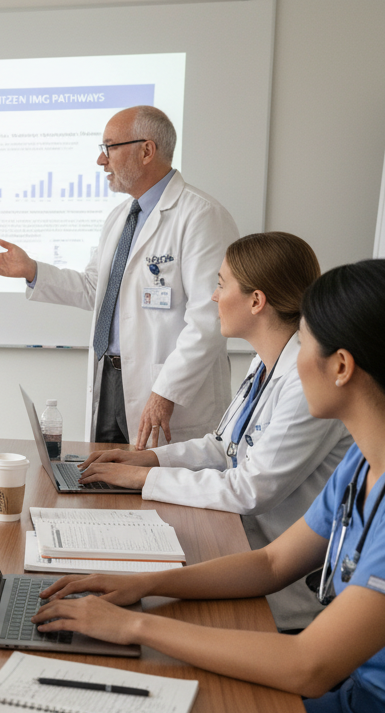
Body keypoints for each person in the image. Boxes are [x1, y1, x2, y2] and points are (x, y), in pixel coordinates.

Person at [31, 260, 385, 713]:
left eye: (303, 341)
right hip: (363, 705)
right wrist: (144, 585)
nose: (295, 361)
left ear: (341, 366)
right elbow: (273, 565)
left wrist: (135, 627)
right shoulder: (373, 458)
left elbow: (310, 665)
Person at [77, 232, 351, 630]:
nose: (212, 297)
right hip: (237, 546)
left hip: (279, 595)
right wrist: (148, 458)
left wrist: (142, 478)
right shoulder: (265, 362)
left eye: (221, 285)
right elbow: (224, 448)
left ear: (257, 301)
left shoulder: (307, 381)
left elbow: (249, 489)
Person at [0, 106, 238, 449]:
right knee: (105, 485)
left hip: (167, 390)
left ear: (146, 150)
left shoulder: (201, 215)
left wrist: (166, 391)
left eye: (109, 148)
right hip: (111, 380)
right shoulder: (120, 218)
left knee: (160, 492)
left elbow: (211, 317)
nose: (102, 161)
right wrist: (33, 271)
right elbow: (95, 289)